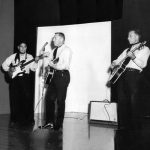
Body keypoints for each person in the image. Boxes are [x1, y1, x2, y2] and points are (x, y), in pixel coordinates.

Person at [110, 29, 150, 130]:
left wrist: (133, 57)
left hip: (134, 76)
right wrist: (114, 63)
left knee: (134, 101)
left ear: (137, 36)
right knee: (122, 100)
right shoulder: (127, 50)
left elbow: (143, 64)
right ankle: (122, 126)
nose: (128, 38)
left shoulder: (145, 49)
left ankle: (135, 127)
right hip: (122, 75)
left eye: (130, 36)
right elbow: (118, 60)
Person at [2, 42, 40, 126]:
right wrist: (11, 68)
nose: (23, 48)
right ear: (18, 47)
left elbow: (33, 69)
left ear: (26, 48)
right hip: (15, 80)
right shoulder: (13, 56)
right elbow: (4, 65)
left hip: (25, 79)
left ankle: (29, 119)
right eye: (21, 47)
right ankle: (14, 119)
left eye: (25, 47)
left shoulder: (30, 57)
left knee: (27, 98)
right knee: (14, 99)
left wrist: (36, 62)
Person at [41, 32, 72, 131]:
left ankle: (58, 125)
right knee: (49, 99)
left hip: (62, 75)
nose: (53, 40)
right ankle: (49, 123)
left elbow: (63, 65)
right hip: (54, 76)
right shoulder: (54, 50)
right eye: (54, 38)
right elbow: (48, 63)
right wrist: (45, 57)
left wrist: (51, 64)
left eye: (55, 38)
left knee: (60, 101)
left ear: (61, 39)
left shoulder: (67, 50)